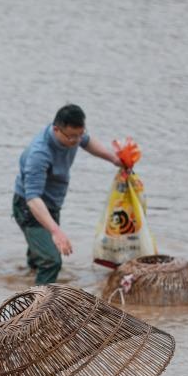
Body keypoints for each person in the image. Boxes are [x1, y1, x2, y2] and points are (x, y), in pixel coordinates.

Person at [12, 104, 121, 284]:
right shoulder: (39, 154)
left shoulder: (73, 135)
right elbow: (32, 198)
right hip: (29, 207)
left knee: (39, 257)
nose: (77, 141)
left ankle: (26, 279)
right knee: (51, 261)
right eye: (72, 137)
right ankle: (39, 307)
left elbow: (88, 142)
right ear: (56, 129)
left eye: (80, 134)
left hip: (52, 203)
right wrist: (56, 231)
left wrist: (114, 159)